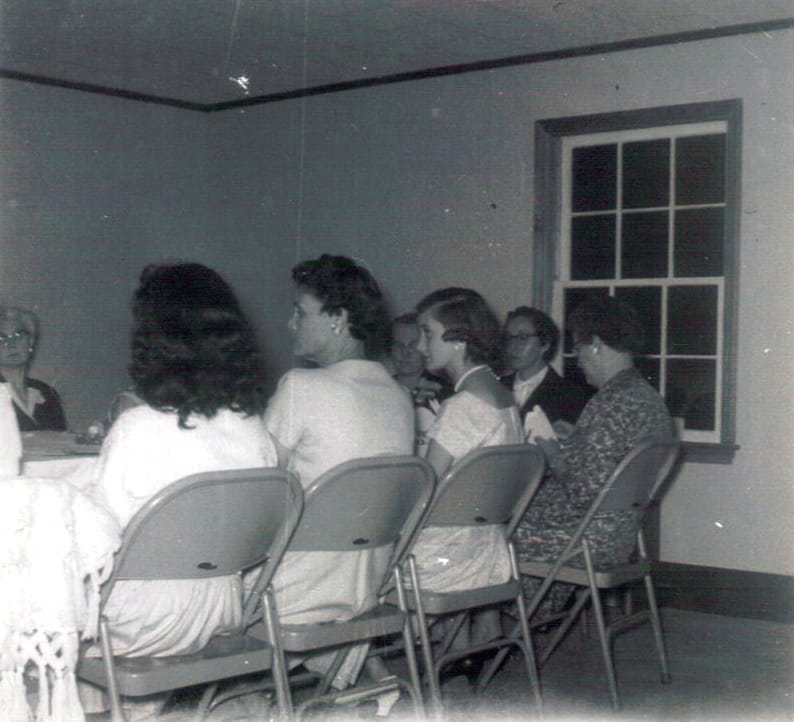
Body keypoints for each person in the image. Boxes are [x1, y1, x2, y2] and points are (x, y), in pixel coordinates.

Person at [86, 263, 277, 661]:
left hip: (138, 624)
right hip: (223, 610)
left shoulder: (137, 426)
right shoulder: (253, 429)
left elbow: (99, 545)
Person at [263, 254, 414, 696]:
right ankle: (366, 678)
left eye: (300, 312)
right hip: (365, 585)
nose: (290, 324)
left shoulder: (301, 387)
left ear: (338, 319)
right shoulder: (398, 394)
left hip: (299, 588)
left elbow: (258, 490)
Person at [514, 296, 675, 613]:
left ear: (597, 345)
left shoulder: (608, 404)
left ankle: (507, 628)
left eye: (579, 348)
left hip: (587, 541)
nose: (577, 358)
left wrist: (551, 452)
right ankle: (532, 617)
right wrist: (576, 439)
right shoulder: (645, 397)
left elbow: (585, 492)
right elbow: (613, 465)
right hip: (622, 534)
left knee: (494, 539)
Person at [409, 288, 523, 663]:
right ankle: (471, 639)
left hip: (446, 558)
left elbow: (424, 487)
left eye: (428, 333)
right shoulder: (506, 400)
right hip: (487, 549)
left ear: (458, 340)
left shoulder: (463, 406)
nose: (420, 344)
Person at [500, 305, 586, 428]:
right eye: (509, 338)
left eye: (523, 338)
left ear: (545, 344)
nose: (513, 346)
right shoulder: (497, 387)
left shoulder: (569, 395)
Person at [389, 312, 453, 453]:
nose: (405, 353)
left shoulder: (445, 395)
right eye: (398, 345)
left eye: (413, 345)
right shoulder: (379, 390)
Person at [0, 305, 67, 431]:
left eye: (18, 335)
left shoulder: (48, 393)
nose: (11, 344)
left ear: (30, 342)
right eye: (1, 338)